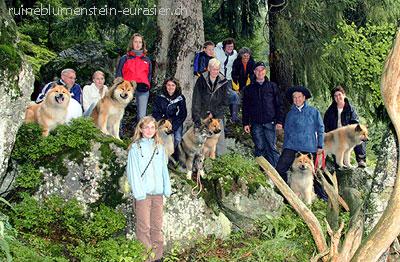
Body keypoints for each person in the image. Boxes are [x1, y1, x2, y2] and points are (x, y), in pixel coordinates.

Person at [126, 116, 171, 262]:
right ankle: (146, 258)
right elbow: (132, 172)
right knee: (144, 227)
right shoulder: (135, 148)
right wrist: (139, 193)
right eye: (146, 127)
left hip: (157, 193)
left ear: (156, 130)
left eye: (152, 127)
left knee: (157, 226)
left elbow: (164, 169)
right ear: (140, 129)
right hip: (143, 194)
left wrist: (166, 188)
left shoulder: (160, 147)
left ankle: (157, 257)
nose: (149, 130)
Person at [275, 86, 326, 199]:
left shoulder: (313, 112)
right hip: (291, 147)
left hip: (309, 147)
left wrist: (320, 146)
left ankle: (323, 198)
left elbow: (320, 129)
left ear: (304, 98)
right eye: (294, 97)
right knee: (280, 169)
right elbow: (287, 132)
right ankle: (285, 194)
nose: (297, 99)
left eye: (299, 97)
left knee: (315, 173)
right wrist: (285, 149)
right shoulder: (290, 114)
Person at [242, 62, 284, 167]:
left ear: (265, 71)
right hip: (256, 123)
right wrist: (246, 123)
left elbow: (279, 105)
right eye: (258, 70)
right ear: (254, 72)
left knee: (272, 147)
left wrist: (279, 121)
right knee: (259, 147)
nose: (260, 72)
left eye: (262, 69)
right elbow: (245, 107)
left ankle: (277, 174)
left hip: (271, 122)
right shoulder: (249, 89)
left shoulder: (273, 86)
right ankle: (263, 171)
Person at [324, 85, 367, 168]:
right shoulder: (329, 111)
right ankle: (338, 163)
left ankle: (361, 160)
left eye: (339, 94)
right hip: (335, 136)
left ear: (344, 95)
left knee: (360, 137)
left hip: (348, 134)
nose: (338, 97)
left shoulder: (351, 109)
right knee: (339, 163)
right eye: (335, 96)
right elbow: (326, 126)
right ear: (334, 98)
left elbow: (355, 123)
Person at [192, 58, 228, 155]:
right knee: (201, 141)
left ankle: (221, 162)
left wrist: (215, 113)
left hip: (217, 115)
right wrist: (196, 116)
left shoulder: (223, 81)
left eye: (217, 69)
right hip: (203, 114)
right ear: (208, 68)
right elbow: (196, 99)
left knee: (219, 141)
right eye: (213, 69)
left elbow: (225, 102)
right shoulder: (201, 80)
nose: (215, 72)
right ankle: (200, 164)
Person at [116, 33, 152, 120]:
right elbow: (118, 74)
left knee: (141, 117)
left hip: (142, 89)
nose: (138, 44)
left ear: (142, 44)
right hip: (126, 88)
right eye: (135, 42)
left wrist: (147, 86)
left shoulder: (147, 60)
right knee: (119, 113)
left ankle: (139, 133)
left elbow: (149, 75)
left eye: (140, 42)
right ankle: (116, 133)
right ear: (132, 43)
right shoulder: (125, 58)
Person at [152, 77, 187, 157]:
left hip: (175, 121)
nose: (170, 87)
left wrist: (173, 126)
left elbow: (183, 114)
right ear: (165, 86)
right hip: (162, 122)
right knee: (160, 137)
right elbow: (155, 111)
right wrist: (162, 121)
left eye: (173, 85)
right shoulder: (159, 96)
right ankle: (159, 155)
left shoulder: (180, 98)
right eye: (168, 85)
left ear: (176, 86)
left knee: (177, 138)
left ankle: (173, 156)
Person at [214, 38, 239, 123]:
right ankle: (221, 123)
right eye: (228, 46)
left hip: (228, 80)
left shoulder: (235, 54)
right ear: (224, 47)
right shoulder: (218, 51)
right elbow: (216, 46)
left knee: (233, 96)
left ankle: (234, 117)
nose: (230, 48)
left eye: (231, 46)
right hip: (218, 78)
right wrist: (222, 44)